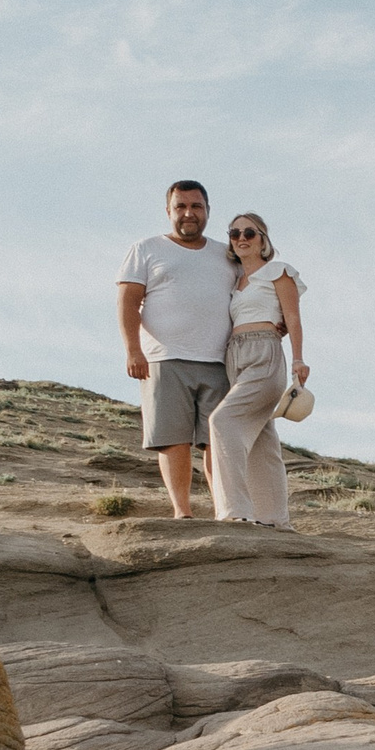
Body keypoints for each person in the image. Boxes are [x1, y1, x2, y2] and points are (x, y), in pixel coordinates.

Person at [116, 180, 232, 518]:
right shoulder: (146, 249)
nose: (188, 213)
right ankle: (182, 511)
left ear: (207, 211)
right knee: (173, 438)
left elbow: (249, 297)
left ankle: (224, 510)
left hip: (219, 360)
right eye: (180, 207)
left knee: (218, 441)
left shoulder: (226, 255)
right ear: (169, 211)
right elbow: (127, 302)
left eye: (196, 206)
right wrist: (133, 350)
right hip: (165, 358)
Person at [205, 213, 309, 527]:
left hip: (264, 352)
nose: (241, 238)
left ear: (263, 239)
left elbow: (292, 317)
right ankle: (276, 519)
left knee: (222, 420)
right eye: (234, 232)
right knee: (263, 439)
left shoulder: (278, 271)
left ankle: (235, 510)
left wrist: (298, 359)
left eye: (250, 232)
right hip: (235, 356)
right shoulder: (235, 282)